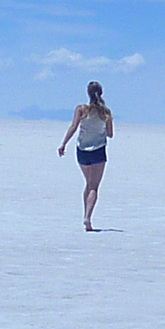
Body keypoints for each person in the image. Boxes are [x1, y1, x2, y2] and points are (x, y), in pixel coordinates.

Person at [58, 81, 115, 231]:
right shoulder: (106, 112)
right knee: (93, 186)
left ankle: (85, 215)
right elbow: (110, 134)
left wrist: (64, 143)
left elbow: (73, 127)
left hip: (82, 150)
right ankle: (87, 217)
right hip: (98, 151)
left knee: (89, 183)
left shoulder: (81, 109)